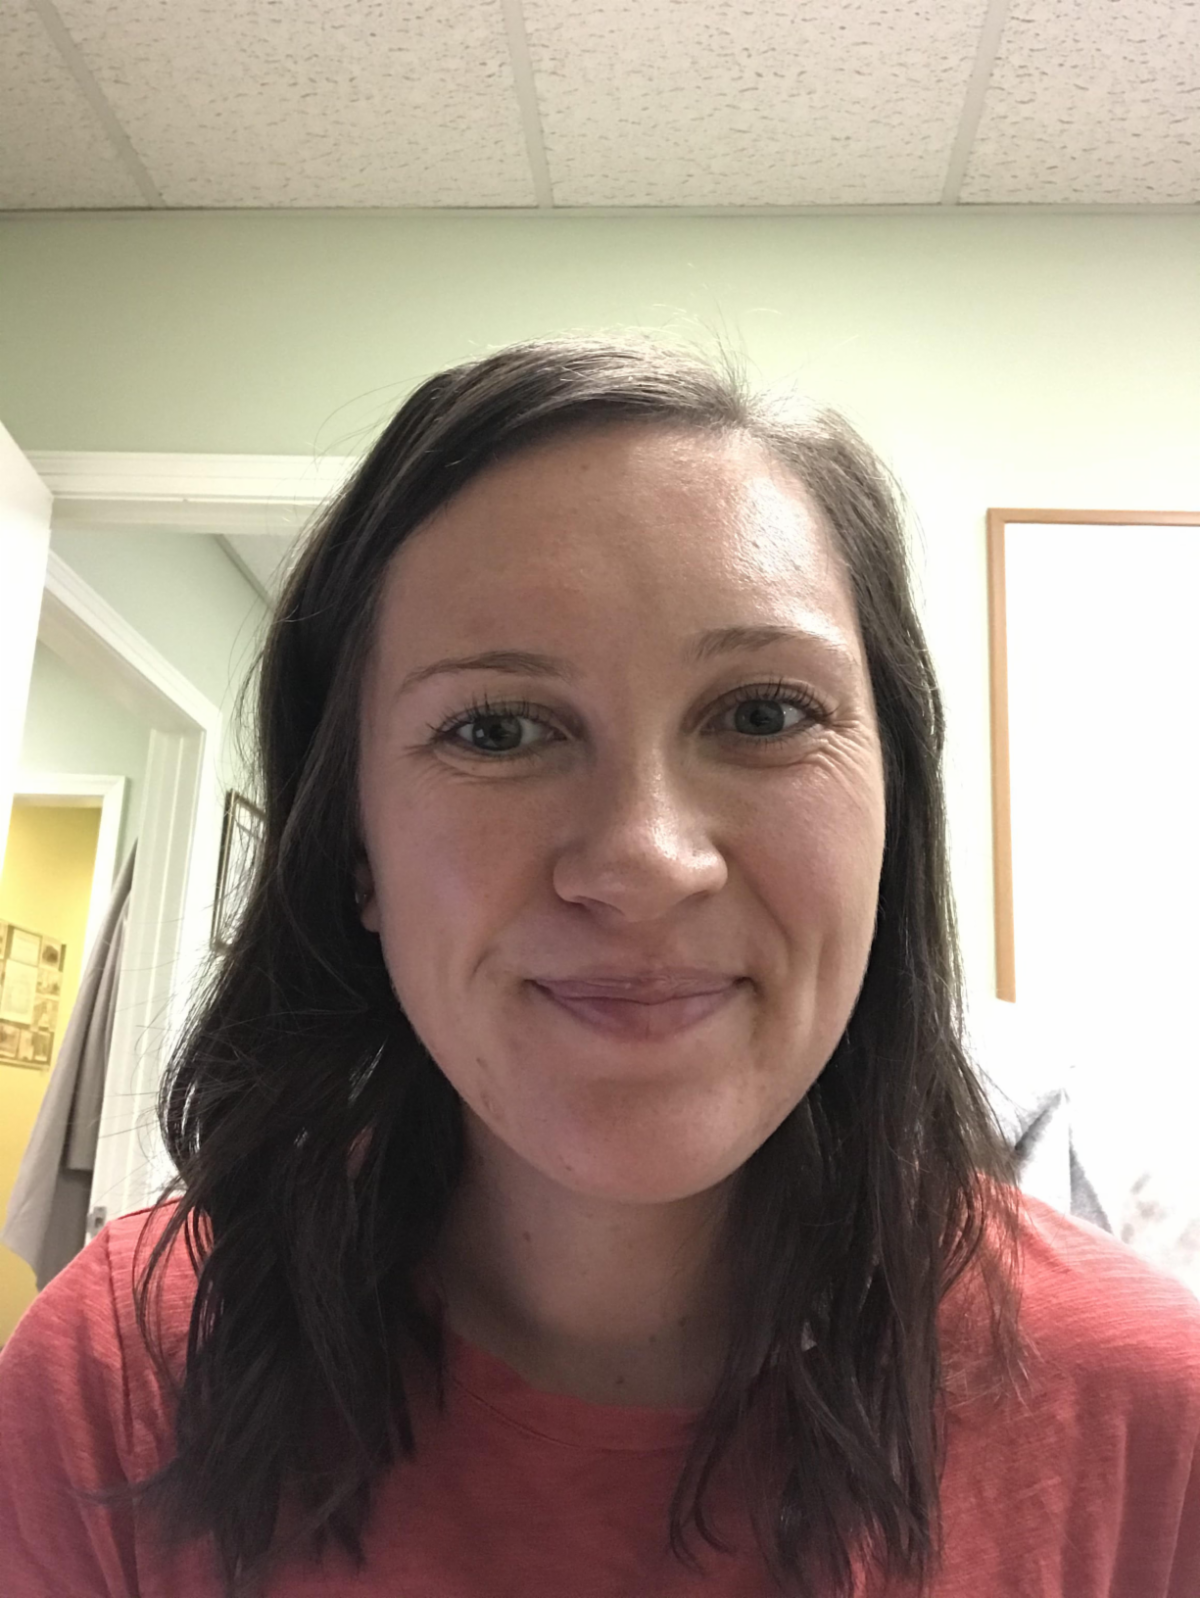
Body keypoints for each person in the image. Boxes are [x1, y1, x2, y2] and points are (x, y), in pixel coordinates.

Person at [1, 336, 1197, 1598]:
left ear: (892, 812)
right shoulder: (115, 1382)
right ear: (354, 847)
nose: (645, 860)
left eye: (764, 713)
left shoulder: (1153, 1423)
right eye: (497, 728)